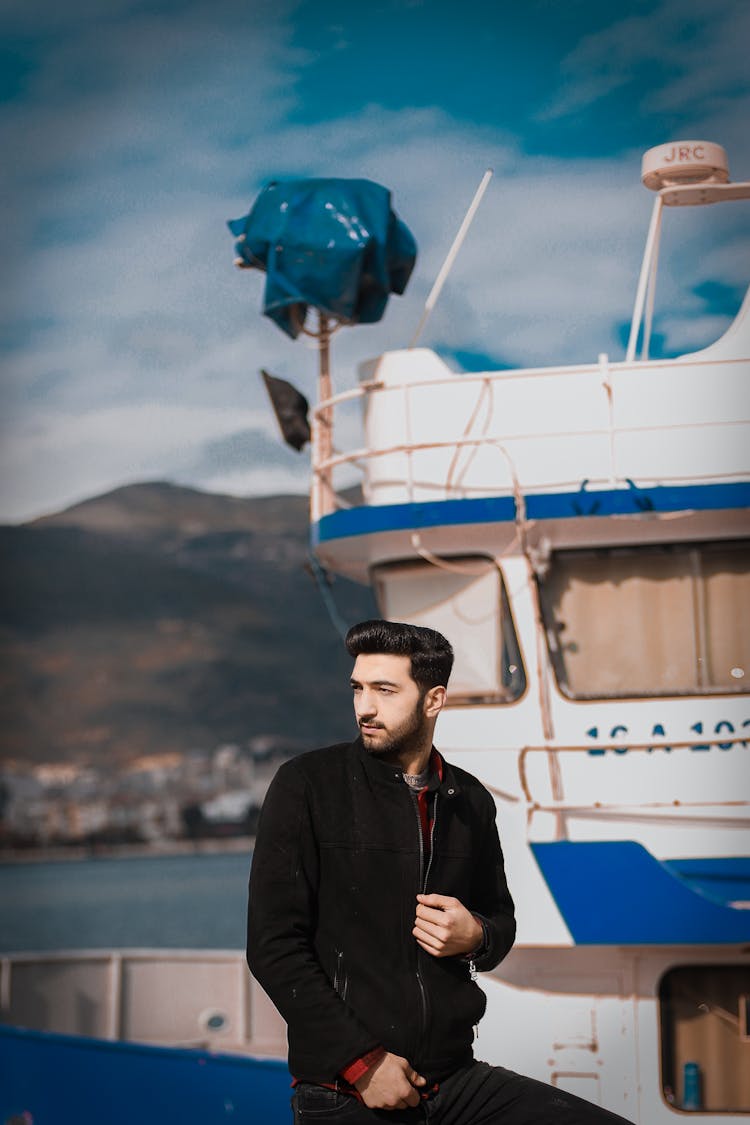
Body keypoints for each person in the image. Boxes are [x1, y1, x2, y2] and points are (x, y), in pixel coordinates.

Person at [247, 620, 633, 1124]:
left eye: (385, 691)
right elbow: (273, 946)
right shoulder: (307, 785)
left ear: (433, 701)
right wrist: (363, 1064)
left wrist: (476, 936)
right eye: (358, 689)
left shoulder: (470, 799)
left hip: (455, 1078)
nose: (365, 707)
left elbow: (500, 920)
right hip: (348, 1089)